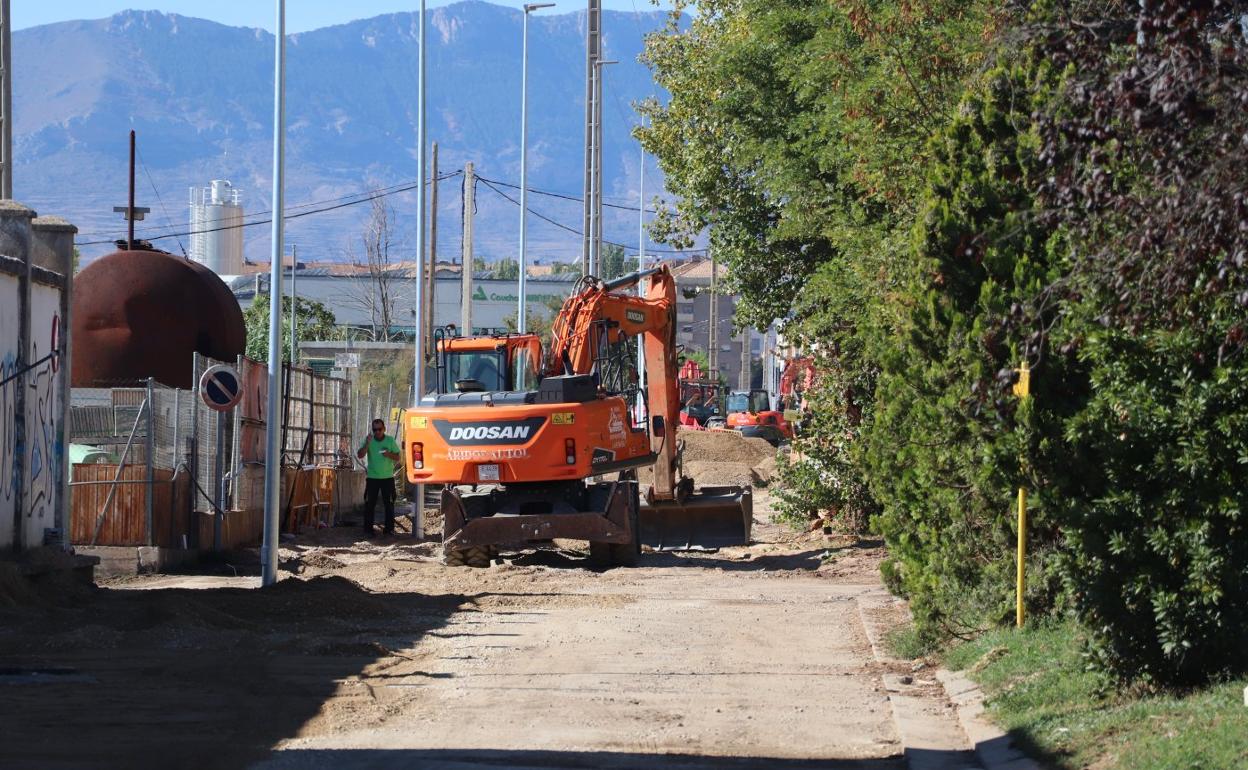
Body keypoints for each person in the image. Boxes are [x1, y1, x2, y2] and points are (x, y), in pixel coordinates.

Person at [357, 418, 402, 536]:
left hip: (387, 478)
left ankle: (389, 530)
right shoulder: (369, 440)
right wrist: (367, 443)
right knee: (369, 504)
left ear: (384, 429)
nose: (377, 432)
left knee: (389, 504)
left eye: (379, 429)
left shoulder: (390, 440)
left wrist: (388, 454)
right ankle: (368, 530)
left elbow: (398, 458)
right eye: (375, 429)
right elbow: (360, 455)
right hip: (372, 478)